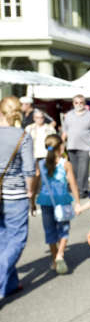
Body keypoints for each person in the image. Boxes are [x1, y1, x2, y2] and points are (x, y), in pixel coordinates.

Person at [0, 96, 34, 298]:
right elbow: (29, 170)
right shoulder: (22, 136)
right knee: (17, 240)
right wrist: (30, 192)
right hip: (16, 194)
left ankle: (11, 283)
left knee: (4, 238)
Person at [32, 134, 80, 275]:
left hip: (45, 200)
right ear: (60, 148)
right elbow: (73, 184)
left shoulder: (40, 164)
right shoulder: (66, 164)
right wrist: (77, 202)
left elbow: (35, 183)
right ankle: (60, 254)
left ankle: (54, 260)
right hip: (62, 200)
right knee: (64, 229)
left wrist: (32, 201)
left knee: (50, 230)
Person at [61, 94, 90, 199]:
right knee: (73, 170)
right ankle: (76, 188)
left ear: (84, 103)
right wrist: (61, 145)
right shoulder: (69, 115)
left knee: (83, 170)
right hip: (71, 146)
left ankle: (82, 190)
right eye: (76, 102)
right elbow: (65, 131)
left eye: (81, 102)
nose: (79, 104)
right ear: (73, 103)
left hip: (85, 147)